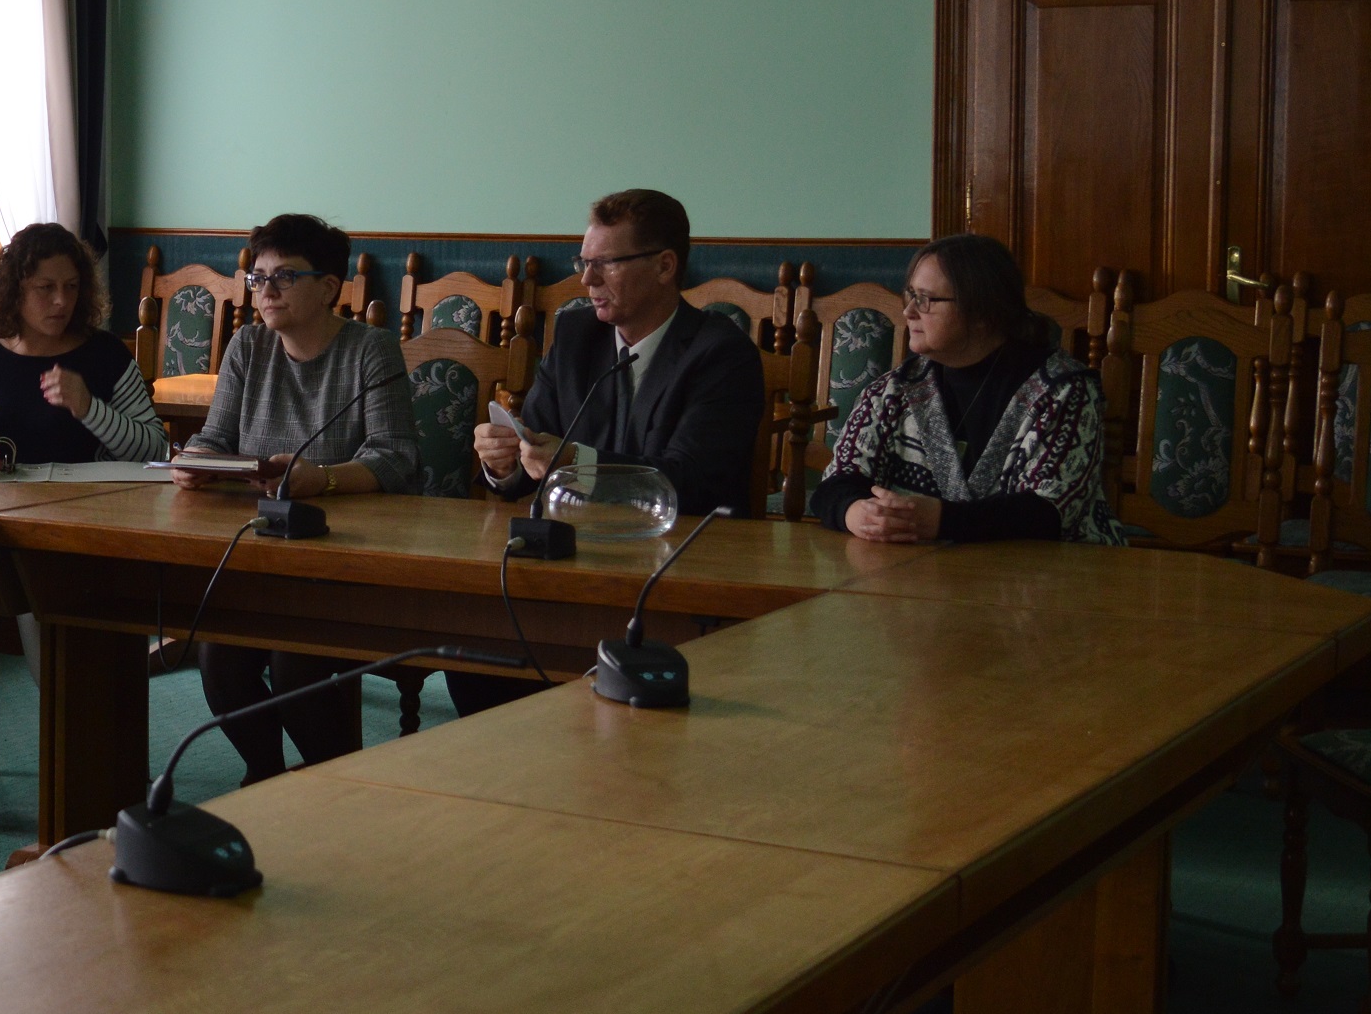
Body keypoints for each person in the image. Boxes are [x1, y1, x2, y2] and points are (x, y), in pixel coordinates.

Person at [454, 188, 767, 718]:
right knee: (475, 648)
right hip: (573, 564)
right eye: (584, 263)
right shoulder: (577, 335)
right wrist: (503, 462)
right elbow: (537, 456)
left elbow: (692, 481)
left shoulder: (720, 353)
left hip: (677, 575)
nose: (587, 281)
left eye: (606, 264)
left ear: (665, 266)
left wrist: (575, 464)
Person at [0, 223, 163, 829]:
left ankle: (78, 757)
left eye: (71, 287)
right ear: (14, 291)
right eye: (45, 288)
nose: (60, 301)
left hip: (69, 529)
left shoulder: (103, 356)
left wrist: (89, 408)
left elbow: (154, 448)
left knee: (43, 608)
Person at [174, 213, 417, 786]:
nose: (267, 291)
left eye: (284, 277)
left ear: (329, 288)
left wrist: (322, 479)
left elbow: (396, 459)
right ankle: (265, 776)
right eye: (258, 279)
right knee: (219, 657)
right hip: (263, 548)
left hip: (347, 553)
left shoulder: (372, 350)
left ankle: (332, 790)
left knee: (294, 661)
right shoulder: (248, 345)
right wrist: (197, 460)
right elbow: (217, 435)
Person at [811, 233, 1126, 546]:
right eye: (911, 295)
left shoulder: (1064, 392)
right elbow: (835, 483)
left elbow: (1050, 511)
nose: (908, 312)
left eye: (926, 299)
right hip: (918, 570)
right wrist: (856, 512)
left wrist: (941, 521)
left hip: (1051, 571)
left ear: (982, 313)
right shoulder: (894, 391)